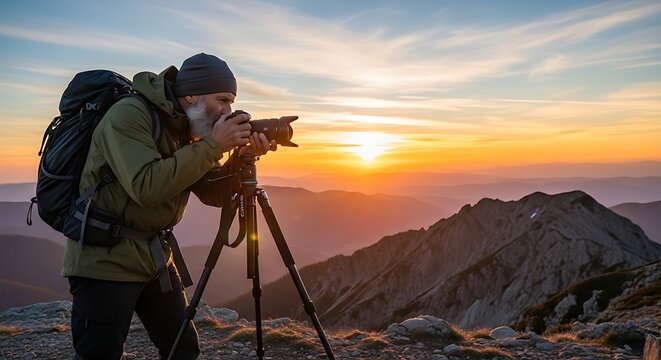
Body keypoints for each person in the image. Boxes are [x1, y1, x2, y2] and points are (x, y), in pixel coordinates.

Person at [61, 53, 276, 360]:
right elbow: (147, 187)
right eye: (223, 100)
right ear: (191, 94)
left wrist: (240, 158)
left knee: (183, 349)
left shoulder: (184, 128)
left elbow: (211, 193)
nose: (228, 110)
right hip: (104, 259)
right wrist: (214, 145)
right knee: (100, 354)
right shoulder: (129, 115)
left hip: (154, 258)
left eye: (231, 101)